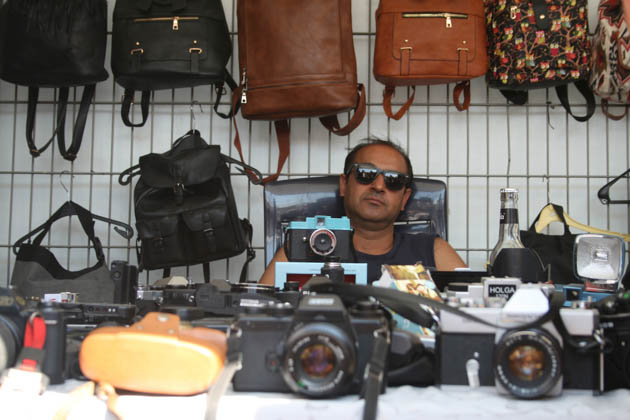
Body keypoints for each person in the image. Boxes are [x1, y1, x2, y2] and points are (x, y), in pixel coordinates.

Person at [259, 138, 466, 285]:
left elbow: (473, 315)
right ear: (344, 184)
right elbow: (259, 314)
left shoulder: (434, 252)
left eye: (393, 180)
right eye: (366, 174)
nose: (378, 186)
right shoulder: (303, 247)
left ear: (404, 198)